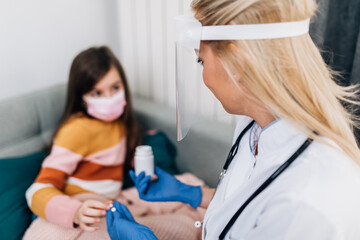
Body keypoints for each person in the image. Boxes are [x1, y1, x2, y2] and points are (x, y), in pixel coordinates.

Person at [106, 0, 360, 239]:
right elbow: (249, 206)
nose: (204, 75)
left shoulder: (307, 201)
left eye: (201, 60)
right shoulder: (254, 126)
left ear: (238, 63)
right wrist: (189, 194)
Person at [25, 46, 141, 232]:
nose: (110, 98)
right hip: (81, 206)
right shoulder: (76, 130)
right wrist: (76, 211)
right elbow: (37, 191)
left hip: (111, 202)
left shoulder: (121, 123)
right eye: (97, 93)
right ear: (82, 97)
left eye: (115, 88)